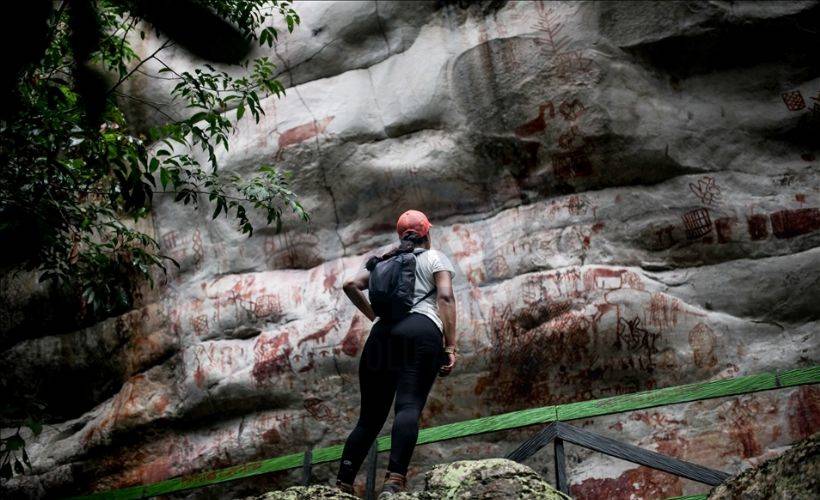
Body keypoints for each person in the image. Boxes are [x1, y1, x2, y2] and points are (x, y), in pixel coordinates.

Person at [335, 209, 458, 497]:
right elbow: (445, 296)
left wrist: (373, 317)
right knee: (408, 406)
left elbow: (349, 284)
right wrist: (450, 345)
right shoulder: (434, 257)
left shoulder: (385, 261)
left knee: (368, 419)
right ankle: (394, 481)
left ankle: (342, 483)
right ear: (427, 232)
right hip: (421, 331)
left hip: (381, 335)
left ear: (401, 235)